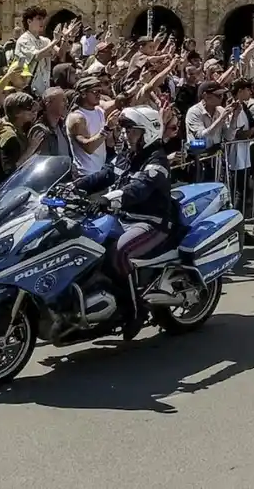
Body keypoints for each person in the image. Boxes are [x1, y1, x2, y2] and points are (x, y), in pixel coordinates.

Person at [74, 107, 177, 339]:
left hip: (151, 222)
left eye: (132, 131)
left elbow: (137, 190)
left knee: (119, 252)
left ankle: (134, 310)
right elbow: (105, 174)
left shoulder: (157, 160)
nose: (126, 135)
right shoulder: (128, 155)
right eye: (126, 130)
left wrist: (106, 199)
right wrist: (75, 186)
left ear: (147, 132)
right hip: (122, 218)